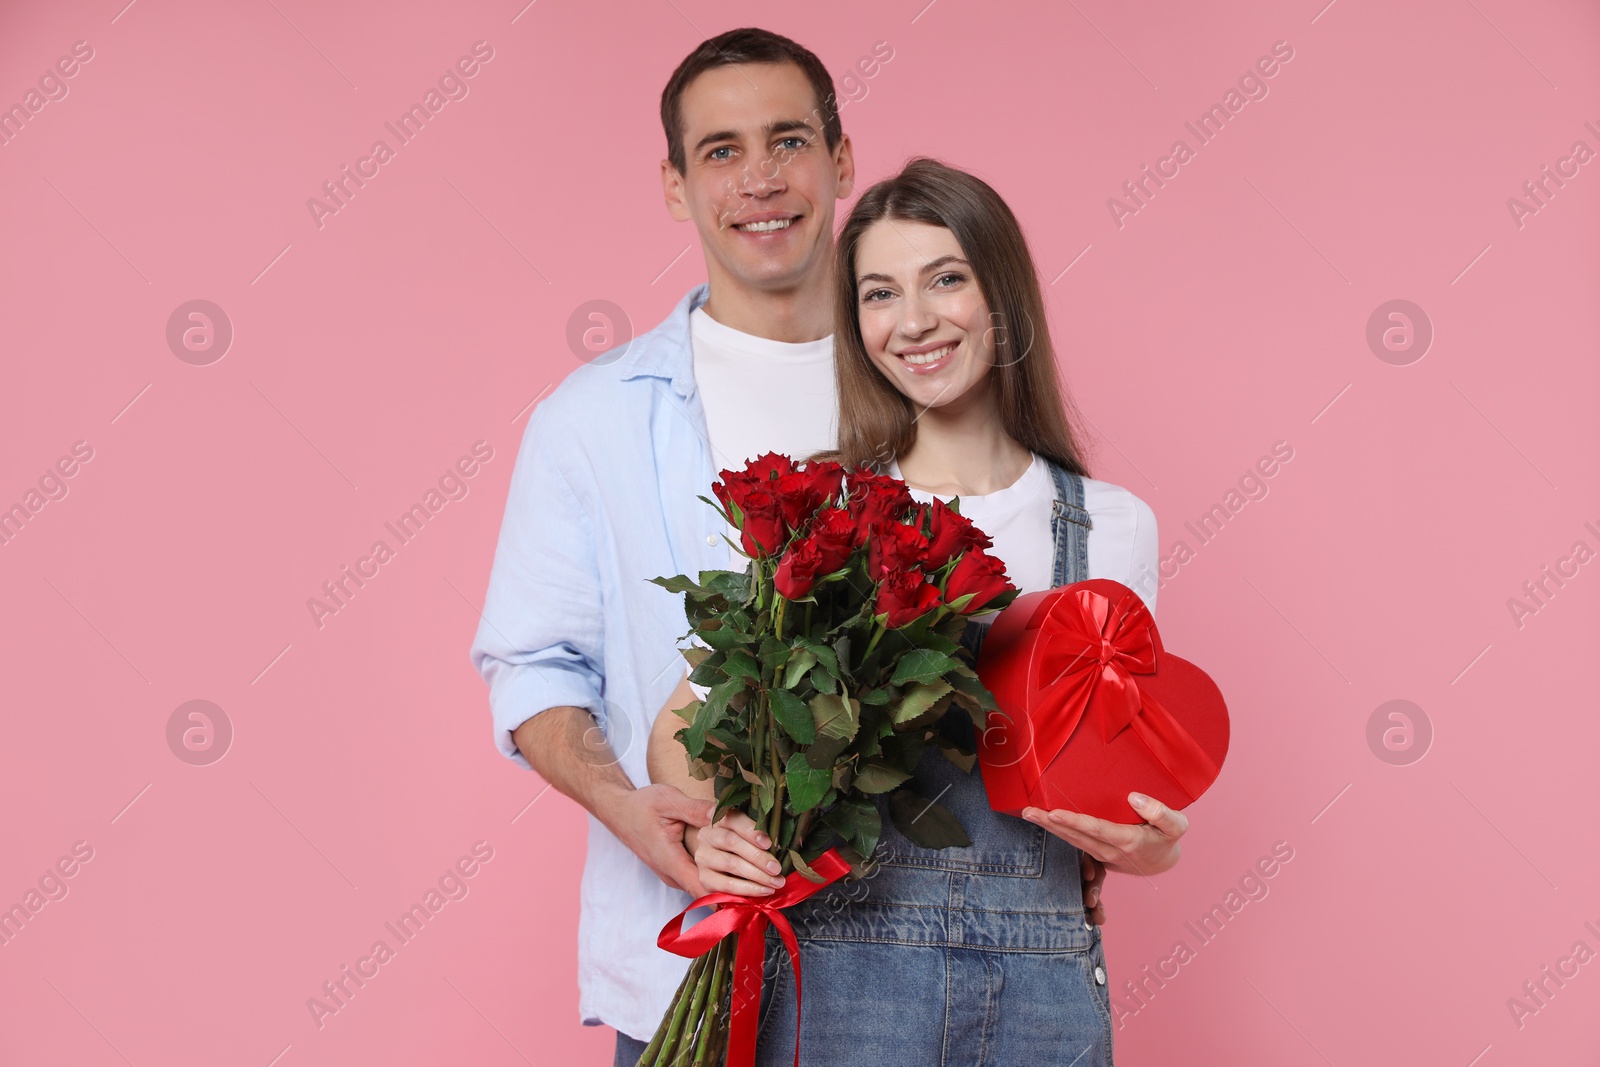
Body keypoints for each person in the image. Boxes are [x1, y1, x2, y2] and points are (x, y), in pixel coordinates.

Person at [470, 30, 1108, 1066]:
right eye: (720, 151)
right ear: (675, 187)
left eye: (787, 140)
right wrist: (631, 810)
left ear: (843, 163)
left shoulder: (937, 384)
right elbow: (532, 664)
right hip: (694, 955)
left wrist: (1049, 865)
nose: (759, 179)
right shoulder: (590, 419)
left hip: (923, 976)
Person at [648, 159, 1192, 1065]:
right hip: (843, 981)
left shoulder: (1109, 527)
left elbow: (1119, 778)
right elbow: (681, 731)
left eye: (946, 279)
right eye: (878, 293)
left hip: (1041, 985)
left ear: (1001, 294)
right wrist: (713, 831)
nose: (914, 322)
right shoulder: (825, 512)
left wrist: (1152, 848)